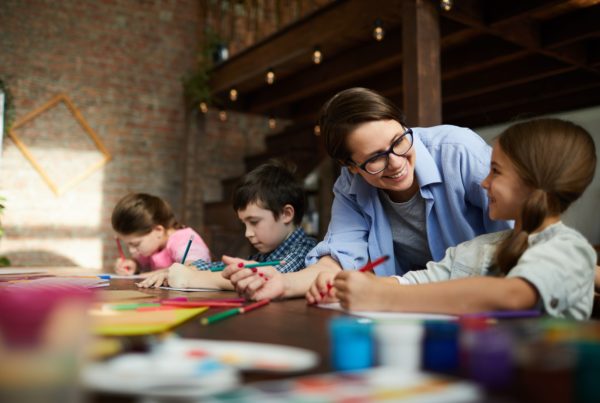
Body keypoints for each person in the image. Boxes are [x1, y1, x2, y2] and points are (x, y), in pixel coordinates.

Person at [226, 87, 511, 301]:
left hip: (488, 298)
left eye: (399, 140)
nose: (397, 162)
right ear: (350, 167)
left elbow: (520, 234)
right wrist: (283, 283)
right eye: (375, 158)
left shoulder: (459, 152)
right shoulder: (350, 188)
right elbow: (337, 259)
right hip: (411, 304)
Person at [332, 118, 597, 319]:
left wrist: (384, 296)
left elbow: (513, 295)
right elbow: (420, 280)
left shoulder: (567, 249)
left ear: (532, 181)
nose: (483, 182)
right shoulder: (480, 248)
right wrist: (360, 286)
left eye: (495, 171)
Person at [138, 160, 317, 290]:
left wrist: (192, 278)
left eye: (254, 222)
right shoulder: (267, 254)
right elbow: (221, 268)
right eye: (244, 224)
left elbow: (266, 278)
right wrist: (182, 269)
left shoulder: (305, 251)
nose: (248, 233)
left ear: (286, 214)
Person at [111, 193, 210, 276]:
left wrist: (147, 275)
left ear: (158, 230)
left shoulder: (183, 239)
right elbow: (142, 264)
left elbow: (196, 267)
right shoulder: (152, 246)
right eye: (128, 244)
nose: (131, 250)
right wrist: (133, 265)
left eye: (136, 244)